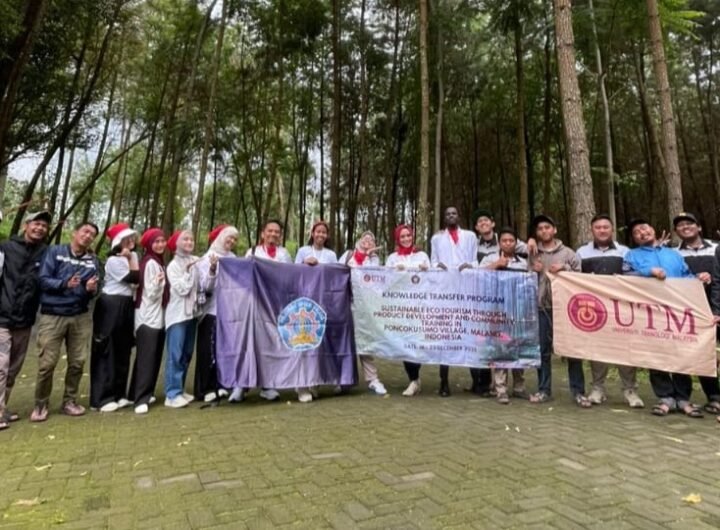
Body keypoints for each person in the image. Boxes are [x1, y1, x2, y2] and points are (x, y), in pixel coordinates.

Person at [624, 218, 704, 418]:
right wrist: (648, 272)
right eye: (637, 232)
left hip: (678, 312)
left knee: (681, 353)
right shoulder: (631, 255)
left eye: (645, 228)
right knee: (656, 355)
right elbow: (625, 278)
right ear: (634, 239)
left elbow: (686, 275)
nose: (642, 232)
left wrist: (698, 279)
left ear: (653, 229)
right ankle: (665, 397)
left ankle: (683, 399)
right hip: (649, 313)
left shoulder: (673, 254)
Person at [31, 222, 101, 422]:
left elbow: (92, 289)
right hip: (52, 315)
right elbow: (43, 279)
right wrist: (64, 283)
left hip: (80, 316)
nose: (88, 236)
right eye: (85, 231)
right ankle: (41, 403)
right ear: (75, 233)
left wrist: (90, 289)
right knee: (47, 363)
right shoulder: (55, 252)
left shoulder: (92, 261)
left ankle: (69, 401)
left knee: (77, 361)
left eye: (92, 234)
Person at [575, 214, 644, 409]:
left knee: (625, 350)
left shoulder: (624, 251)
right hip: (594, 311)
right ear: (592, 230)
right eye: (598, 227)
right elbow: (574, 277)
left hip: (621, 310)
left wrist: (622, 280)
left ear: (612, 229)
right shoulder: (582, 252)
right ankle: (597, 389)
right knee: (597, 350)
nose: (602, 230)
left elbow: (635, 274)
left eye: (606, 227)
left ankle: (630, 390)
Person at [527, 214, 587, 406]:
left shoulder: (568, 253)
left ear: (554, 230)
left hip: (566, 309)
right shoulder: (533, 252)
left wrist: (565, 267)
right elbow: (525, 280)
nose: (544, 231)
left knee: (571, 351)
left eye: (547, 227)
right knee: (543, 351)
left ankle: (578, 392)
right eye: (540, 229)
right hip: (541, 308)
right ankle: (544, 390)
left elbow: (581, 277)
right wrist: (533, 270)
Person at [0, 211, 50, 429]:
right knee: (1, 365)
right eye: (36, 224)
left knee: (13, 367)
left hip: (25, 320)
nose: (39, 228)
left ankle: (3, 407)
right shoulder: (6, 248)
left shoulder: (45, 253)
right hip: (2, 317)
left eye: (44, 226)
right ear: (25, 226)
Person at [673, 212, 720, 415]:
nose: (685, 227)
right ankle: (685, 397)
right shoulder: (673, 254)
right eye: (680, 225)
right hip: (686, 312)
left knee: (711, 355)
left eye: (689, 223)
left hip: (714, 309)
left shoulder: (716, 248)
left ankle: (714, 396)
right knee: (687, 354)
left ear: (699, 227)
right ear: (676, 231)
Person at [90, 223, 139, 413]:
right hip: (111, 304)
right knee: (106, 348)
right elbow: (134, 278)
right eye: (126, 239)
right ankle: (102, 398)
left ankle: (119, 393)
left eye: (132, 238)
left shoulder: (131, 257)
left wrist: (132, 258)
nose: (131, 241)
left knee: (123, 348)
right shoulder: (113, 260)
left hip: (127, 304)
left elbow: (135, 283)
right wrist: (131, 259)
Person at [241, 220, 292, 402]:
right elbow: (243, 277)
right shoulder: (253, 252)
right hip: (254, 304)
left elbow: (289, 277)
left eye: (277, 232)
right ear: (263, 233)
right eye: (270, 231)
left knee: (270, 344)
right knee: (249, 342)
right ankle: (242, 384)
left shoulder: (284, 254)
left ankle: (268, 385)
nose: (273, 234)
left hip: (275, 306)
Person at [430, 206, 477, 397]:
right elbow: (433, 261)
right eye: (448, 214)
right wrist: (438, 266)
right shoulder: (436, 239)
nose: (451, 216)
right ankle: (444, 382)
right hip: (445, 293)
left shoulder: (470, 236)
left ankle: (477, 381)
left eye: (454, 213)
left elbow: (475, 261)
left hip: (466, 292)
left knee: (469, 335)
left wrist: (469, 265)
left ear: (459, 216)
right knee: (446, 337)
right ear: (444, 218)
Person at [479, 227, 529, 404]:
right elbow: (477, 276)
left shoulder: (523, 263)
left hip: (518, 311)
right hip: (498, 311)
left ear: (516, 243)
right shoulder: (489, 258)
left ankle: (519, 387)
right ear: (499, 243)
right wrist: (497, 265)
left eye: (511, 241)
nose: (508, 243)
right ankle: (500, 388)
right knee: (501, 347)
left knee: (518, 347)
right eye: (504, 241)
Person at [294, 220, 337, 403]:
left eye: (323, 232)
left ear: (327, 236)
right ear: (312, 233)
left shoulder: (331, 254)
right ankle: (301, 385)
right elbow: (293, 274)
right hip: (304, 304)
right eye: (317, 231)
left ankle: (314, 382)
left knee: (319, 344)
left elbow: (336, 277)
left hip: (323, 304)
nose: (320, 235)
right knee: (304, 342)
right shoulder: (303, 251)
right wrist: (304, 263)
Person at [339, 231, 387, 395]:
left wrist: (368, 256)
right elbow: (338, 273)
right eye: (364, 238)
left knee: (365, 342)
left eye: (371, 239)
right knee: (344, 342)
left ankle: (372, 379)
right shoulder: (348, 255)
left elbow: (373, 281)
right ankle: (343, 379)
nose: (368, 240)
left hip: (365, 307)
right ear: (358, 240)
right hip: (346, 304)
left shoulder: (374, 260)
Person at [195, 224, 238, 403]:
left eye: (235, 239)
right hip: (211, 310)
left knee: (222, 349)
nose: (232, 241)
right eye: (229, 237)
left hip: (228, 311)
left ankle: (221, 384)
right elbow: (205, 287)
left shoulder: (233, 258)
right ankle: (205, 388)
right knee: (207, 349)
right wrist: (213, 269)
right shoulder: (207, 258)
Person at [386, 224, 430, 397]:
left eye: (408, 235)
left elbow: (433, 280)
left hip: (420, 306)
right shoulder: (392, 258)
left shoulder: (422, 255)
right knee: (405, 343)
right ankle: (414, 379)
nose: (406, 239)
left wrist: (427, 271)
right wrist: (395, 272)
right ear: (398, 239)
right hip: (401, 306)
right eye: (402, 236)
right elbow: (386, 281)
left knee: (417, 343)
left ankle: (415, 377)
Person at [129, 228, 169, 414]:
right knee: (147, 358)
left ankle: (137, 393)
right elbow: (150, 293)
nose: (160, 245)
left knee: (150, 357)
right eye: (156, 242)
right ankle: (141, 399)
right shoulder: (150, 263)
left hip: (156, 316)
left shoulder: (157, 262)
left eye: (162, 241)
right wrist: (159, 283)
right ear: (149, 244)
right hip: (148, 316)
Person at [164, 229, 202, 409]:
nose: (189, 242)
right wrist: (187, 272)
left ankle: (180, 388)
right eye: (185, 239)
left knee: (187, 353)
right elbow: (182, 289)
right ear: (176, 243)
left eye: (191, 239)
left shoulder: (194, 260)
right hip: (177, 315)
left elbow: (200, 284)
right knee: (175, 354)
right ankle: (172, 394)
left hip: (192, 314)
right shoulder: (172, 266)